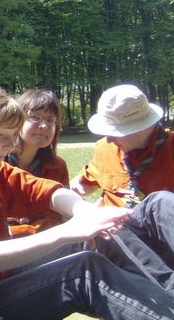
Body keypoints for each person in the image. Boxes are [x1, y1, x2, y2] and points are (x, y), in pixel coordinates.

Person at [0, 81, 174, 319]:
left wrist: (86, 213)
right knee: (84, 272)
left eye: (13, 136)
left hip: (2, 276)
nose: (11, 144)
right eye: (1, 136)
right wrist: (67, 232)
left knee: (111, 226)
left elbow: (42, 190)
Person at [70, 84, 174, 291]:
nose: (109, 138)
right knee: (107, 223)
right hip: (122, 243)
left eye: (116, 132)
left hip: (164, 243)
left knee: (159, 202)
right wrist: (76, 197)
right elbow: (82, 184)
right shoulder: (105, 148)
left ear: (144, 126)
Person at [5, 88, 69, 237]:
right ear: (17, 121)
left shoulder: (57, 166)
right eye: (35, 117)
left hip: (44, 242)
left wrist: (28, 231)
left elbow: (57, 217)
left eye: (50, 120)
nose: (44, 126)